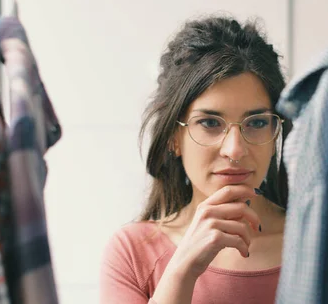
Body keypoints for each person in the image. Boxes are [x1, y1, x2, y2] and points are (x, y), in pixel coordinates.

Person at [99, 15, 291, 304]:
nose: (235, 149)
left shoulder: (318, 241)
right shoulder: (131, 253)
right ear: (174, 138)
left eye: (257, 122)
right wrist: (182, 270)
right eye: (211, 123)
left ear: (276, 132)